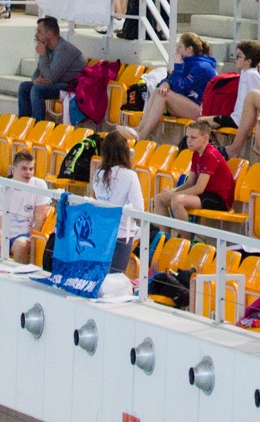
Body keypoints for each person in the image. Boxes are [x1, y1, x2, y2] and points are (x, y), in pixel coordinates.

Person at [118, 33, 216, 141]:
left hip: (201, 111)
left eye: (180, 47)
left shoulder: (202, 67)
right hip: (188, 104)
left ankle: (143, 135)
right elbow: (171, 79)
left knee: (163, 95)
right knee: (157, 91)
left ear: (189, 49)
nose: (177, 50)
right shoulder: (188, 63)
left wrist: (177, 65)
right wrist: (165, 83)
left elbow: (179, 88)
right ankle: (139, 129)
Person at [151, 117, 235, 220]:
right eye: (187, 137)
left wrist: (174, 194)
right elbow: (190, 182)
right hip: (205, 194)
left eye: (193, 137)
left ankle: (184, 236)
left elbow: (199, 188)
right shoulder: (196, 153)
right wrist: (172, 191)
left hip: (219, 199)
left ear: (205, 138)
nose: (188, 141)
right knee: (159, 198)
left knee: (177, 200)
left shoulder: (210, 154)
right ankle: (166, 235)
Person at [0, 151, 49, 263]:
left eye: (31, 169)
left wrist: (31, 239)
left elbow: (41, 218)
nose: (28, 173)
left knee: (21, 246)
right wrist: (3, 248)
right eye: (24, 169)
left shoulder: (39, 186)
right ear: (13, 169)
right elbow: (0, 227)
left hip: (24, 234)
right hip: (0, 234)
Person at [88, 131, 144, 274]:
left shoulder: (98, 173)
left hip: (100, 230)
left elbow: (96, 197)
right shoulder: (130, 176)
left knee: (98, 275)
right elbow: (139, 209)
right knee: (115, 278)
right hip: (121, 233)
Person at [16, 17, 86, 121]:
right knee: (24, 87)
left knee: (37, 90)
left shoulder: (63, 49)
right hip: (58, 83)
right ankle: (24, 124)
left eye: (39, 32)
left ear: (49, 34)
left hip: (73, 87)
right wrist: (35, 80)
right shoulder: (48, 48)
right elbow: (37, 72)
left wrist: (43, 54)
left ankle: (37, 126)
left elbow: (50, 78)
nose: (36, 35)